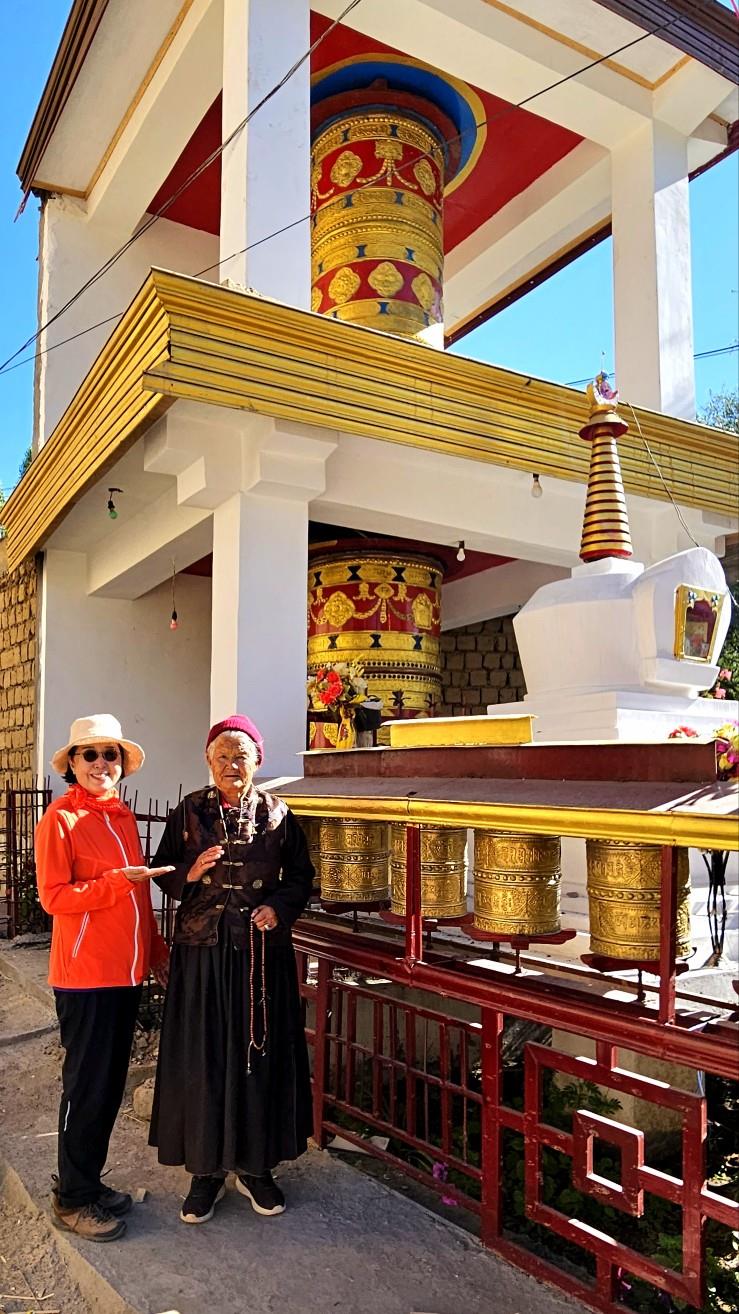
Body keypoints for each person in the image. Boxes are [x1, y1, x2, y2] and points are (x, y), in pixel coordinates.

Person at [149, 714, 314, 1225]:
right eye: (221, 756)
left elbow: (301, 876)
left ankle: (256, 1167)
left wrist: (279, 908)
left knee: (255, 1055)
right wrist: (191, 871)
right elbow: (163, 869)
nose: (230, 764)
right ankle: (205, 1171)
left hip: (260, 957)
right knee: (205, 1055)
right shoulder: (188, 811)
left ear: (257, 760)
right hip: (203, 953)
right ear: (207, 761)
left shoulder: (279, 814)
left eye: (240, 755)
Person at [35, 714, 172, 1241]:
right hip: (86, 976)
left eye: (109, 754)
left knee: (108, 1087)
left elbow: (138, 896)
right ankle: (71, 1199)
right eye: (88, 754)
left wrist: (155, 951)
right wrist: (114, 882)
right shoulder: (60, 819)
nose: (100, 763)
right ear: (72, 764)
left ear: (121, 764)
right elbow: (54, 898)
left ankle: (86, 1184)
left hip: (124, 973)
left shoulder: (121, 816)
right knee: (86, 1089)